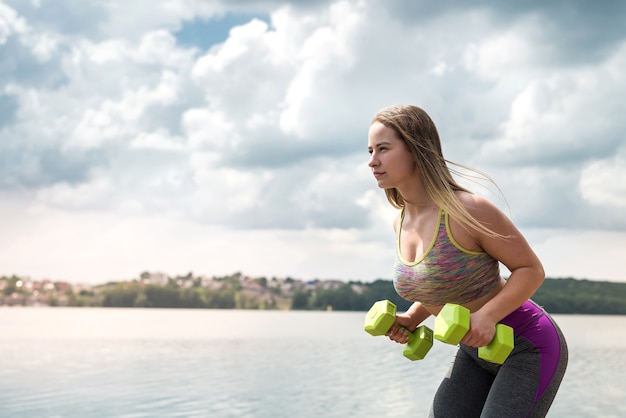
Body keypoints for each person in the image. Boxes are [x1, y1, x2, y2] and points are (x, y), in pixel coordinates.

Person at [367, 104, 568, 417]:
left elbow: (531, 270)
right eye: (370, 150)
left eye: (383, 149)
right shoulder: (401, 221)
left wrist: (487, 317)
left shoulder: (468, 210)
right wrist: (412, 317)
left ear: (416, 149)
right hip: (474, 352)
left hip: (528, 346)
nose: (372, 161)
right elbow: (446, 286)